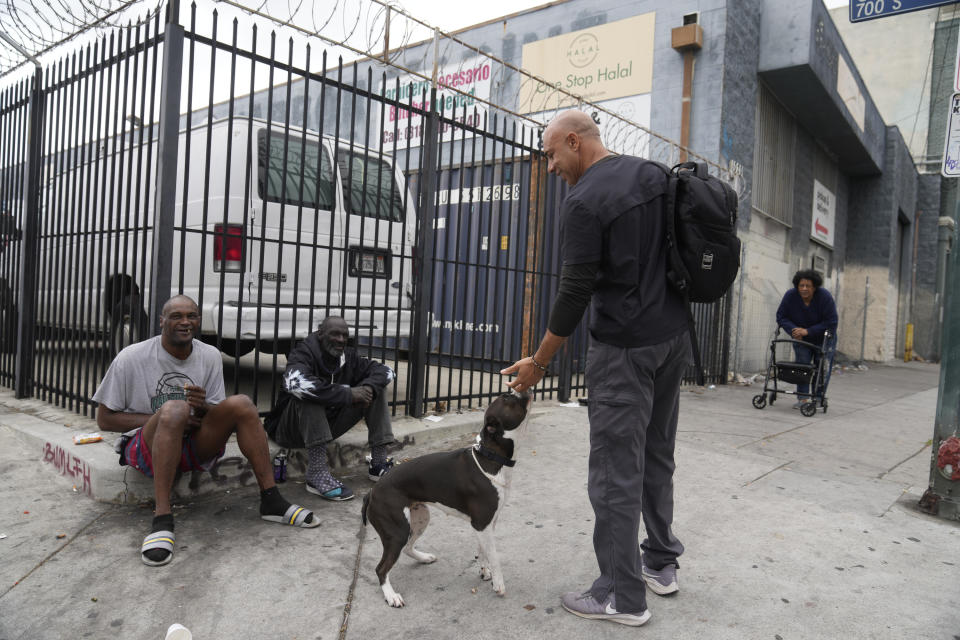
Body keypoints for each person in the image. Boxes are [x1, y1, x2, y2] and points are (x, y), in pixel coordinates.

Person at [500, 110, 691, 627]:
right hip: (672, 339)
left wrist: (539, 361)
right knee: (656, 454)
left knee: (613, 472)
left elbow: (574, 293)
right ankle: (660, 562)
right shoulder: (652, 174)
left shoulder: (584, 202)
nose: (550, 165)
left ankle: (620, 596)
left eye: (551, 153)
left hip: (625, 349)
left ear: (573, 140)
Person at [94, 295, 319, 568]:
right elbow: (105, 420)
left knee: (242, 404)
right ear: (161, 321)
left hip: (192, 446)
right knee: (174, 409)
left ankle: (271, 500)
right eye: (176, 316)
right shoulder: (132, 357)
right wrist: (164, 416)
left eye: (192, 316)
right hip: (147, 448)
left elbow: (212, 417)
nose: (185, 322)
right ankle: (162, 517)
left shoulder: (209, 355)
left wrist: (201, 411)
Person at [264, 316, 396, 501]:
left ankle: (379, 464)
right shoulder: (303, 353)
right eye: (335, 334)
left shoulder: (347, 357)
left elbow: (387, 371)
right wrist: (348, 394)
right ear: (321, 334)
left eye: (345, 335)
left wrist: (367, 388)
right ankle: (316, 474)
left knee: (376, 389)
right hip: (289, 432)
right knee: (309, 395)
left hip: (325, 428)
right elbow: (295, 384)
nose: (341, 340)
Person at [776, 269, 838, 407]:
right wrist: (793, 330)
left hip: (824, 338)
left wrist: (808, 331)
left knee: (821, 368)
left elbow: (831, 321)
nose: (804, 289)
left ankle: (817, 397)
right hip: (801, 338)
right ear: (797, 286)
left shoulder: (824, 297)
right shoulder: (790, 296)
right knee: (802, 367)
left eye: (808, 286)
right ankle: (802, 399)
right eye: (801, 286)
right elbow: (781, 316)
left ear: (814, 287)